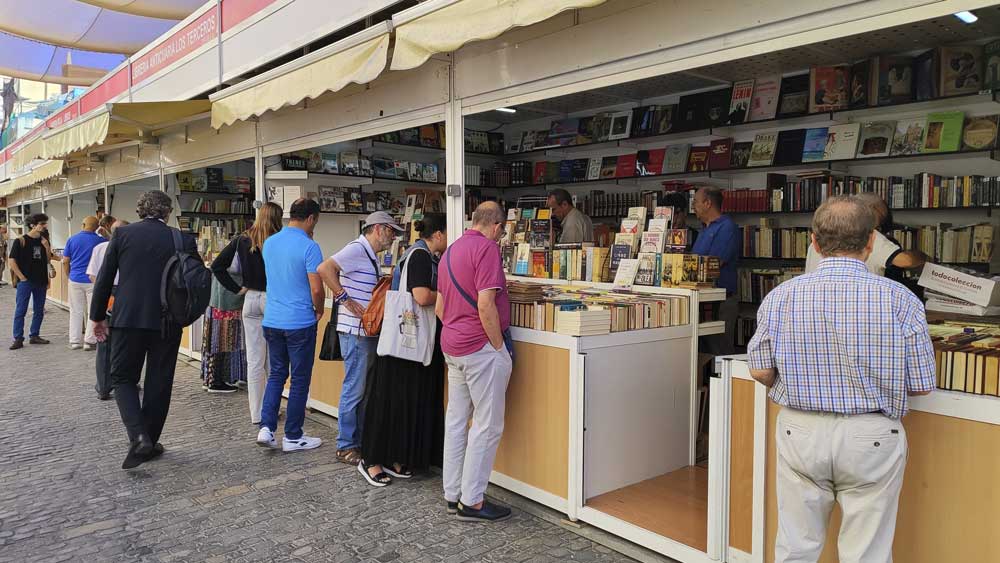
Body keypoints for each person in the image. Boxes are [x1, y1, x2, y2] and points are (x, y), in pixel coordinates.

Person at [747, 196, 935, 563]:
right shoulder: (901, 299)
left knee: (795, 546)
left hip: (799, 429)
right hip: (872, 436)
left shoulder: (781, 295)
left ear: (813, 243)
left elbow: (759, 369)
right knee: (867, 553)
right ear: (870, 244)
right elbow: (922, 383)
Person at [90, 191, 198, 469]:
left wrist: (97, 316)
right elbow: (195, 280)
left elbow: (104, 279)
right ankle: (149, 439)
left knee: (122, 377)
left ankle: (139, 435)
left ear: (140, 211)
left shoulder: (122, 236)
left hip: (128, 317)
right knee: (159, 381)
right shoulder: (182, 238)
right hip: (168, 320)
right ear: (167, 212)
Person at [435, 201, 513, 522]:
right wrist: (497, 346)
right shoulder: (488, 250)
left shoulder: (451, 251)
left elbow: (440, 306)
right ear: (496, 225)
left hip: (452, 346)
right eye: (502, 230)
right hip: (480, 348)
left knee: (456, 421)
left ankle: (452, 493)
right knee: (487, 425)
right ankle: (473, 501)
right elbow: (486, 304)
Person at [358, 213, 448, 487]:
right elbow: (420, 296)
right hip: (405, 342)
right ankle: (371, 460)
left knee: (403, 403)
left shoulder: (418, 254)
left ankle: (395, 456)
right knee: (393, 401)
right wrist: (445, 295)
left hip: (409, 344)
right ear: (440, 234)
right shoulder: (421, 257)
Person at [317, 210, 404, 465]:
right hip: (355, 331)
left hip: (362, 330)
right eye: (390, 231)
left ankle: (357, 441)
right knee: (355, 388)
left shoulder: (367, 254)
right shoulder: (357, 249)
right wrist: (344, 298)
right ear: (377, 229)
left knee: (360, 387)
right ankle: (346, 445)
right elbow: (325, 268)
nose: (393, 237)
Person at [256, 198, 325, 452]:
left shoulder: (270, 243)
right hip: (299, 321)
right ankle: (293, 436)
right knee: (299, 380)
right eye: (315, 221)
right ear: (310, 218)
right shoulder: (310, 246)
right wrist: (319, 309)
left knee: (276, 374)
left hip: (272, 319)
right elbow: (316, 287)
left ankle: (266, 427)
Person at [211, 202, 282, 424]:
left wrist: (237, 288)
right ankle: (272, 408)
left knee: (254, 359)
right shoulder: (278, 240)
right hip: (273, 298)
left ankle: (256, 413)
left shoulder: (242, 239)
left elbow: (217, 266)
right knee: (274, 360)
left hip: (250, 299)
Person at [804, 193, 926, 276]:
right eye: (882, 213)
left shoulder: (819, 239)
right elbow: (906, 261)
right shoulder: (870, 235)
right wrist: (923, 256)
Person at [691, 185, 739, 354]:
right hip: (702, 299)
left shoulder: (727, 227)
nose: (693, 206)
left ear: (708, 203)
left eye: (696, 202)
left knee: (720, 350)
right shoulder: (704, 229)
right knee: (702, 351)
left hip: (721, 300)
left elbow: (714, 263)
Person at [87, 219, 128, 400]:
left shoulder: (100, 249)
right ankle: (128, 381)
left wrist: (102, 296)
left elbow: (93, 276)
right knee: (129, 340)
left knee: (105, 343)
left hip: (107, 292)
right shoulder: (133, 250)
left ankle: (104, 387)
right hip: (127, 293)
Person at [8, 213, 54, 350]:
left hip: (40, 280)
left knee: (39, 310)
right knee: (20, 310)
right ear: (33, 225)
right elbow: (12, 261)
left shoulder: (44, 239)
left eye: (45, 223)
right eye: (42, 224)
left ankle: (34, 335)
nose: (45, 226)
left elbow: (47, 260)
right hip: (26, 281)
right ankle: (18, 338)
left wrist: (46, 247)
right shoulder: (20, 240)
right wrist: (21, 277)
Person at [198, 271, 246, 394]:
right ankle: (216, 381)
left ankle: (211, 379)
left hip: (218, 301)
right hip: (225, 302)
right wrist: (240, 290)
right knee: (222, 341)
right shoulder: (233, 253)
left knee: (216, 341)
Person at [62, 216, 105, 351]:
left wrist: (69, 274)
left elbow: (65, 260)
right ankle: (89, 341)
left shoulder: (72, 239)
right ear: (97, 226)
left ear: (83, 224)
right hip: (93, 280)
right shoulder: (100, 240)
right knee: (93, 311)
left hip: (75, 279)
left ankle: (74, 341)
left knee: (76, 311)